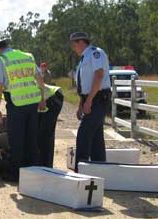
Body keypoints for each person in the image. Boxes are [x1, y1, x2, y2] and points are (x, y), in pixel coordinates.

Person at [0, 38, 46, 182]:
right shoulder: (27, 56)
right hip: (32, 102)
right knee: (31, 138)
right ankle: (33, 172)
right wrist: (42, 98)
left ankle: (15, 174)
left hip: (16, 103)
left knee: (16, 140)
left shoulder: (2, 60)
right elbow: (39, 78)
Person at [69, 32, 111, 172]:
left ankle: (80, 171)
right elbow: (85, 85)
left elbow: (99, 76)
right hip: (91, 98)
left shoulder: (95, 53)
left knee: (84, 134)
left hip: (98, 98)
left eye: (74, 44)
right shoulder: (83, 58)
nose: (73, 47)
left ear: (81, 42)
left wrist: (89, 101)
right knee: (96, 137)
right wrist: (82, 104)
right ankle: (99, 169)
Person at [37, 83, 64, 168]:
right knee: (44, 134)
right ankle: (45, 166)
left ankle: (45, 167)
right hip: (51, 96)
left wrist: (42, 99)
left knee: (44, 134)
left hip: (51, 98)